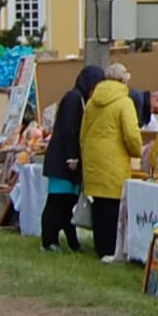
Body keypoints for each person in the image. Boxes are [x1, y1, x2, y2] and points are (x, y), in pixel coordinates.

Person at [78, 67, 141, 263]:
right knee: (114, 207)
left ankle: (100, 247)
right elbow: (131, 134)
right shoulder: (125, 102)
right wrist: (137, 151)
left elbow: (83, 133)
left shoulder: (91, 102)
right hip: (114, 161)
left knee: (98, 205)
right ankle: (112, 250)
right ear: (124, 80)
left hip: (93, 159)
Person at [38, 64, 99, 252]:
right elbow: (69, 129)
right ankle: (49, 241)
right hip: (63, 160)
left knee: (67, 205)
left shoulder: (79, 99)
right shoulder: (73, 99)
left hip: (67, 160)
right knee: (56, 202)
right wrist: (72, 156)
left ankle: (72, 242)